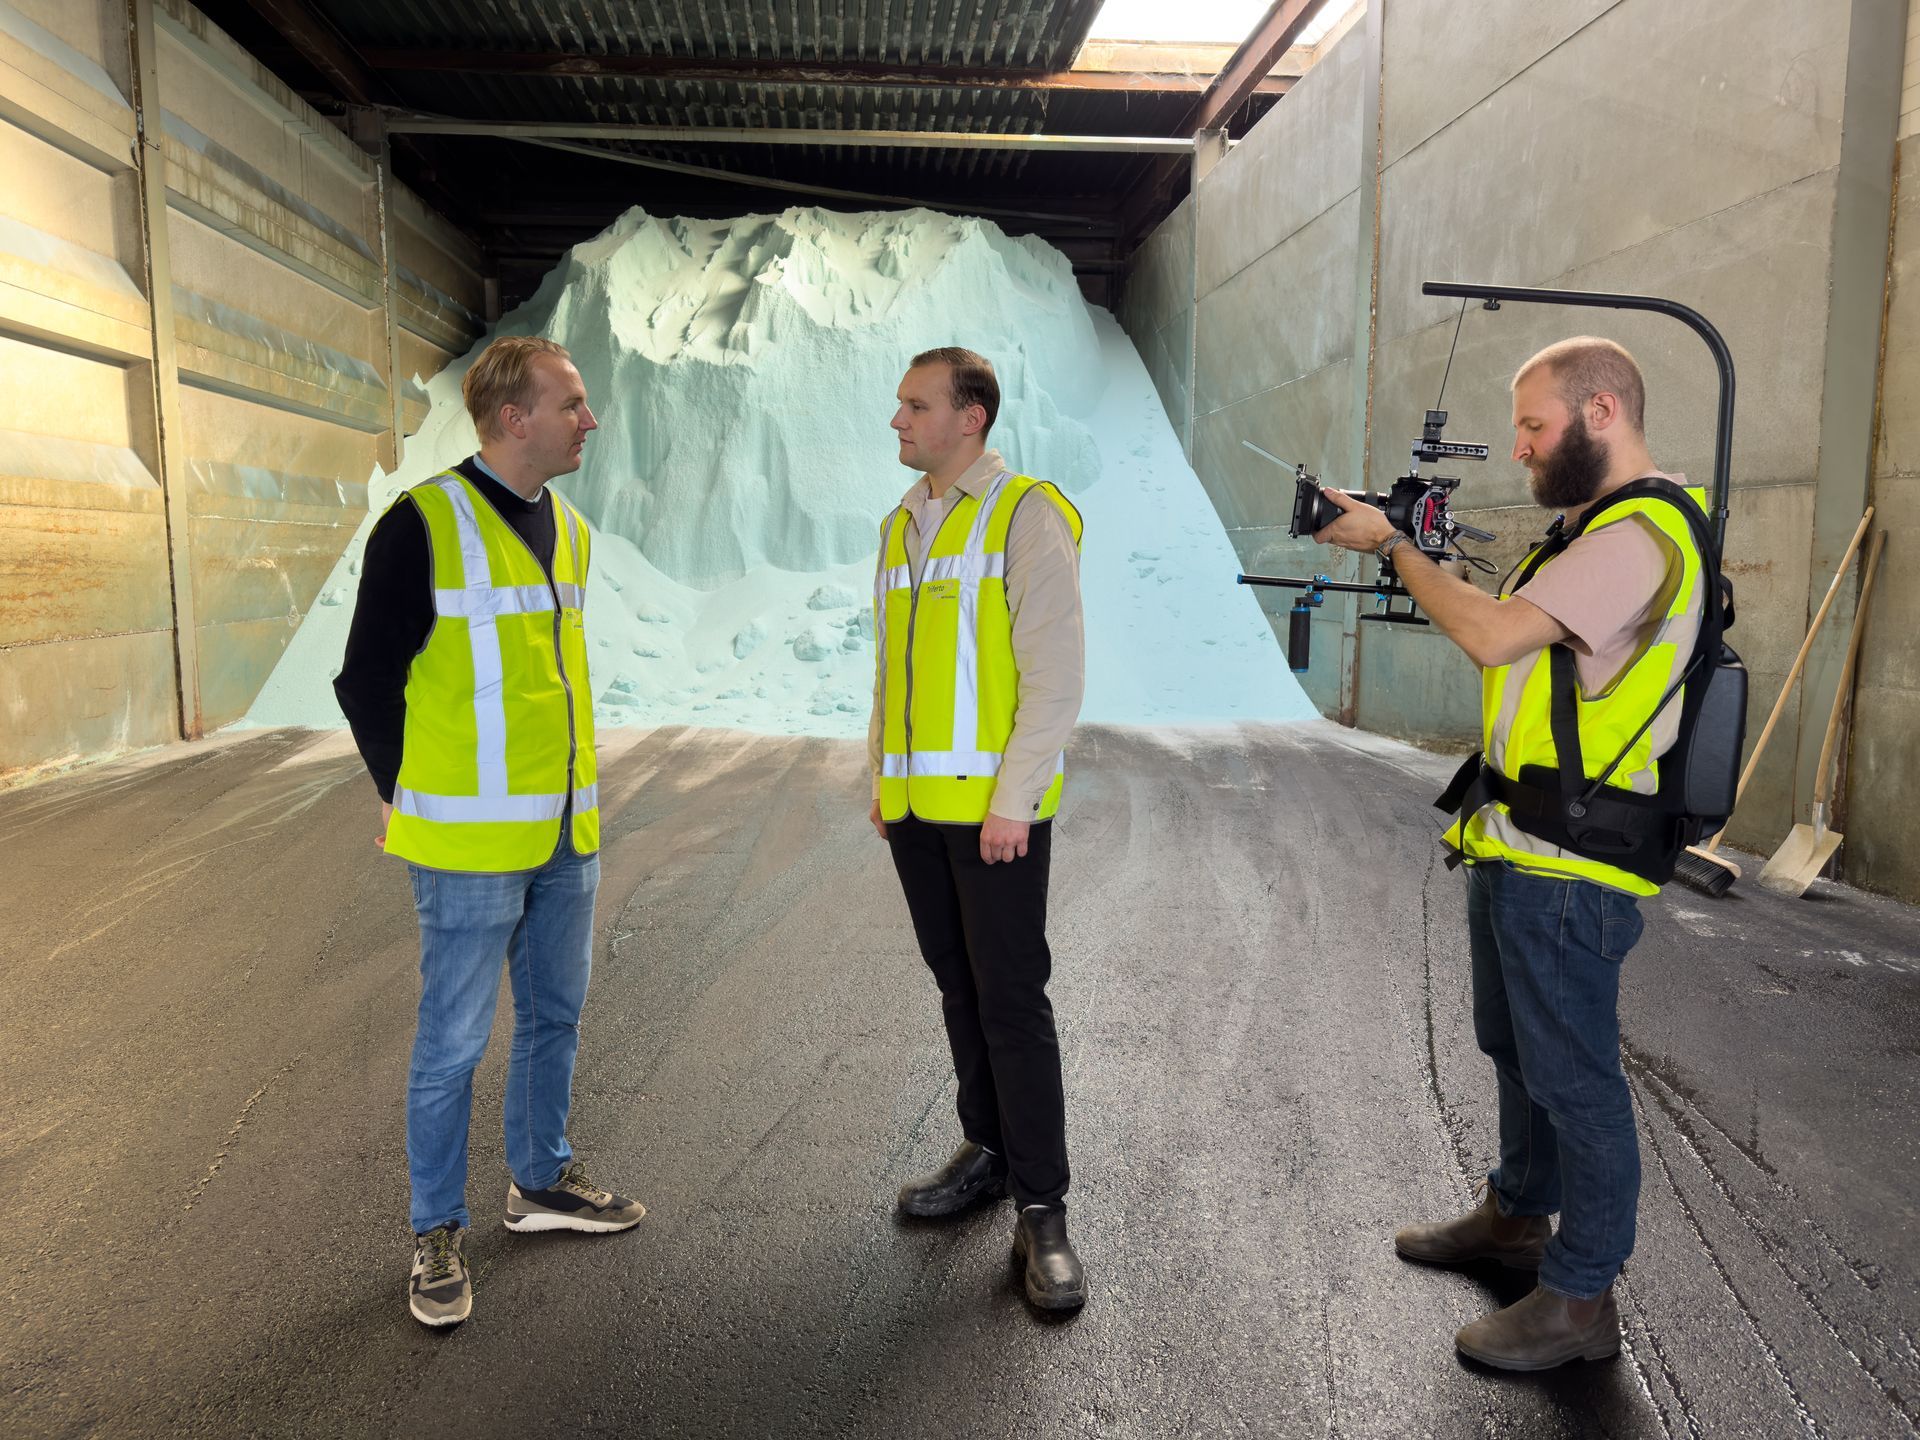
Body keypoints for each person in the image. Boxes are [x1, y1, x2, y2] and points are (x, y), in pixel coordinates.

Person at [1310, 338, 1708, 1370]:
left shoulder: (1640, 534)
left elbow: (1491, 637)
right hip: (1521, 841)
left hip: (1571, 863)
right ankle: (1518, 1217)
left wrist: (1394, 549)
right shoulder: (1588, 533)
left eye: (1536, 427)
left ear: (1603, 410)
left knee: (1575, 1080)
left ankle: (1580, 1300)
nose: (1523, 449)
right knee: (1514, 1046)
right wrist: (1405, 539)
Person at [335, 335, 644, 1329]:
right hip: (467, 843)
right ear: (515, 417)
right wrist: (399, 792)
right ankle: (435, 1232)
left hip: (566, 829)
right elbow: (365, 679)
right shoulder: (421, 525)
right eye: (573, 404)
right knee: (454, 1041)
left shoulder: (572, 530)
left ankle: (542, 1182)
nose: (588, 421)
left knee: (556, 1013)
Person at [868, 346, 1089, 1311]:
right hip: (918, 811)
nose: (898, 420)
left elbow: (1055, 673)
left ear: (973, 417)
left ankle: (1043, 1208)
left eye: (915, 406)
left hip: (995, 817)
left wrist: (1014, 800)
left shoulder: (1025, 514)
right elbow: (893, 666)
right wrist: (881, 773)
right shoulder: (900, 525)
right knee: (959, 987)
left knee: (1011, 1000)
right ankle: (989, 1150)